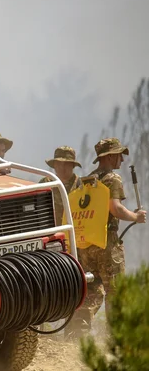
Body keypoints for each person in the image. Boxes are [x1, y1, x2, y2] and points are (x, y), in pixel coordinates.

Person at [70, 138, 146, 337]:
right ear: (110, 156)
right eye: (119, 154)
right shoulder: (113, 179)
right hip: (107, 243)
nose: (121, 159)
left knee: (92, 289)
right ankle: (116, 336)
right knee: (116, 290)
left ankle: (77, 333)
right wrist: (136, 217)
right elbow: (116, 208)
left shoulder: (88, 180)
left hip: (87, 244)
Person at [39, 146, 83, 220]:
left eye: (66, 164)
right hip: (52, 229)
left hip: (74, 229)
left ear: (72, 165)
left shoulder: (81, 185)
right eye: (59, 163)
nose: (62, 167)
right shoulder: (45, 183)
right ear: (54, 165)